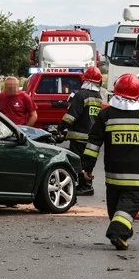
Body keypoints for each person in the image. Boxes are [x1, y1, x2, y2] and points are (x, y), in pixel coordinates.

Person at [82, 73, 139, 250]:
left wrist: (87, 167)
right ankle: (119, 232)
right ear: (137, 94)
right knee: (130, 203)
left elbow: (93, 143)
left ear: (115, 92)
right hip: (135, 175)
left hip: (113, 174)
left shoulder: (106, 115)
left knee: (115, 207)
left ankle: (122, 232)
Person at [58, 66, 103, 196]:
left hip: (79, 136)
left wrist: (61, 127)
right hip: (92, 137)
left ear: (85, 80)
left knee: (77, 161)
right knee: (87, 161)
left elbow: (72, 115)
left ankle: (84, 186)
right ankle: (87, 185)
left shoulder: (81, 95)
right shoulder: (98, 97)